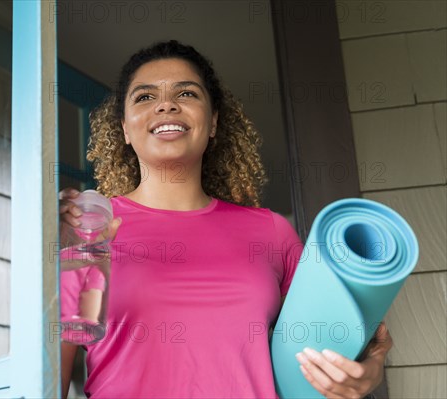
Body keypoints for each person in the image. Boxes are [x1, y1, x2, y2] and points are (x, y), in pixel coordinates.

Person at [59, 40, 392, 399]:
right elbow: (48, 375)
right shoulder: (86, 231)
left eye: (186, 93)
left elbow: (331, 336)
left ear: (213, 121)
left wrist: (370, 369)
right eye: (144, 97)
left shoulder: (271, 231)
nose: (166, 104)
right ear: (125, 128)